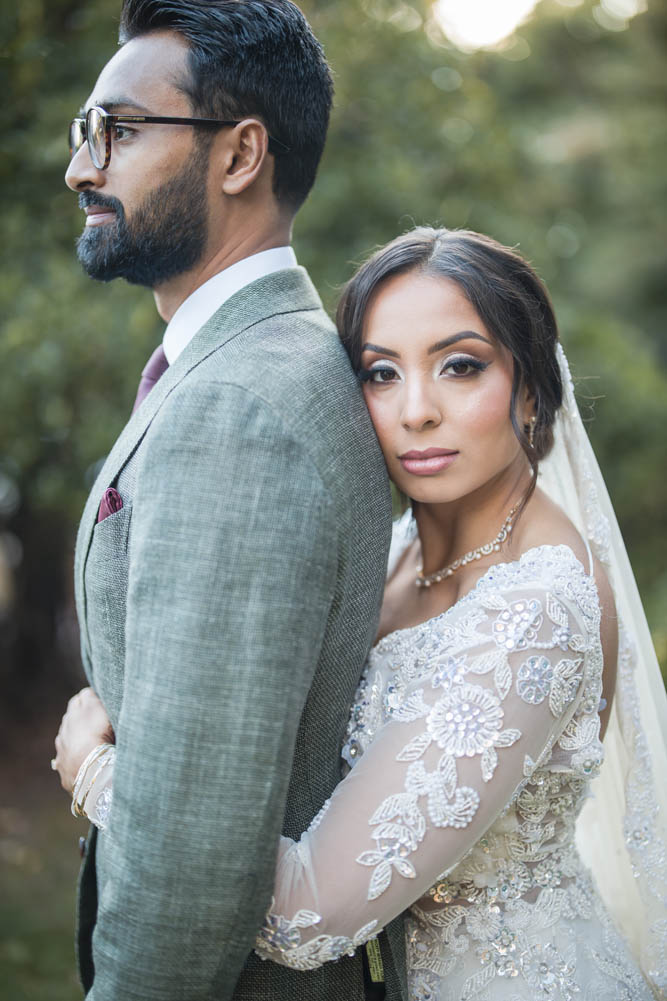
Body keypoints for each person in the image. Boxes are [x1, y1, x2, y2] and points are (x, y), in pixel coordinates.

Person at [56, 227, 667, 999]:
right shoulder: (392, 548)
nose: (416, 410)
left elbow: (307, 915)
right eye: (381, 373)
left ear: (532, 387)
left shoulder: (536, 610)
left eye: (460, 366)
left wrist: (100, 773)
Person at [54, 1, 409, 998]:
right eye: (87, 134)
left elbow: (190, 864)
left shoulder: (241, 410)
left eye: (117, 131)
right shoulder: (246, 363)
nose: (83, 167)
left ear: (240, 153)